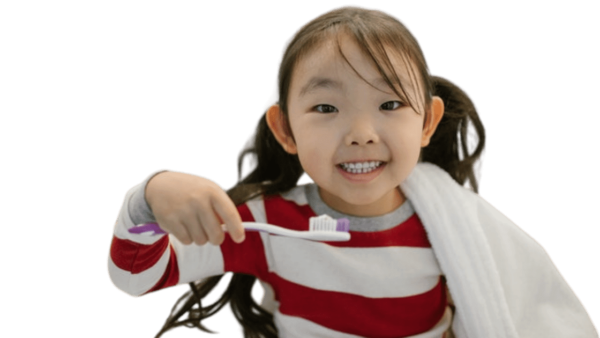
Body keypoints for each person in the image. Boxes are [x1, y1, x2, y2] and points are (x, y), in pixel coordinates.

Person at [106, 4, 598, 338]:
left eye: (388, 103)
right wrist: (152, 195)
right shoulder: (266, 226)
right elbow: (134, 276)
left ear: (426, 121)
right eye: (325, 107)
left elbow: (525, 307)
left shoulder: (456, 226)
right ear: (285, 129)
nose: (361, 132)